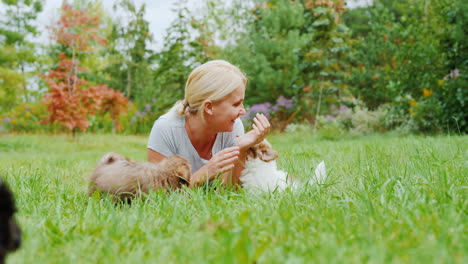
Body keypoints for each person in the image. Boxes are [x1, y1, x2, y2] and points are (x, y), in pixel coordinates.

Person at [147, 60, 270, 187]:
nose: (243, 111)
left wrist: (242, 149)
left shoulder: (233, 126)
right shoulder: (165, 128)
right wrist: (204, 173)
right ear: (209, 107)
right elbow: (160, 194)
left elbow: (228, 191)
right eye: (236, 104)